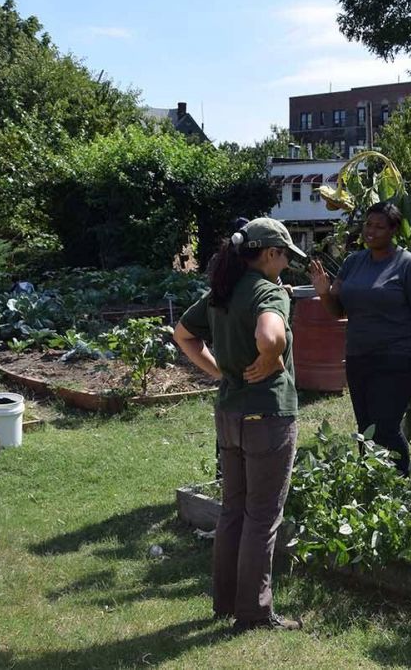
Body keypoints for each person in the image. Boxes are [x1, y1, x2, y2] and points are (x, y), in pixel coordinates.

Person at [172, 217, 306, 632]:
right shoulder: (267, 292)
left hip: (229, 414)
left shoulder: (222, 292)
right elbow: (270, 337)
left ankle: (226, 602)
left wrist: (218, 371)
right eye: (284, 256)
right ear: (269, 253)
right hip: (267, 417)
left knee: (233, 510)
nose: (285, 265)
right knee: (262, 516)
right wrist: (272, 353)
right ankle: (253, 613)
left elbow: (182, 334)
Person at [308, 201, 411, 475]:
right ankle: (372, 483)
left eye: (380, 226)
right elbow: (337, 310)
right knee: (365, 428)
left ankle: (399, 482)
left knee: (386, 427)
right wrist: (323, 292)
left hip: (398, 358)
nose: (371, 231)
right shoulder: (353, 263)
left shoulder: (408, 265)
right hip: (359, 357)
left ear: (393, 230)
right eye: (369, 224)